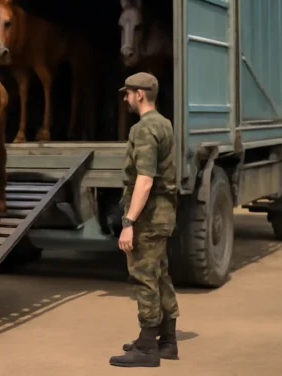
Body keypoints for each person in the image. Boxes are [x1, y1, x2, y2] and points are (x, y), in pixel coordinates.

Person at [109, 72, 180, 368]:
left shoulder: (143, 129)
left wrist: (128, 222)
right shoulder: (165, 124)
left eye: (128, 93)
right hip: (165, 212)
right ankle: (167, 341)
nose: (125, 98)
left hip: (149, 216)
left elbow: (145, 179)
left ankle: (148, 348)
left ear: (139, 94)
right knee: (160, 274)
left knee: (144, 276)